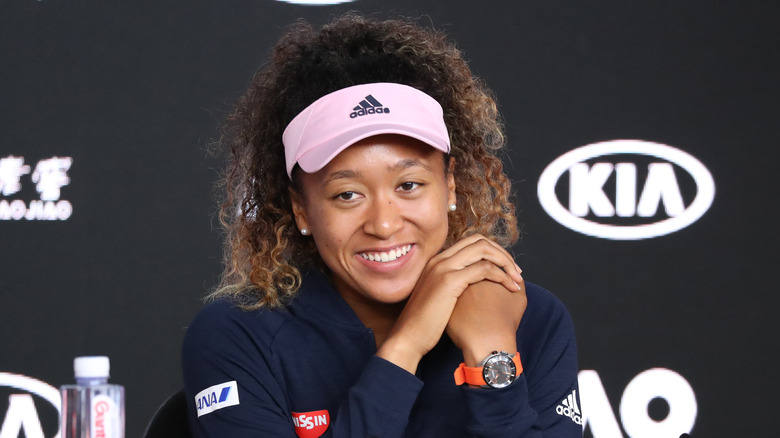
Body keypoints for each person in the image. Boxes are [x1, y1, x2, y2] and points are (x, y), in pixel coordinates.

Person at [182, 13, 581, 437]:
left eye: (409, 185)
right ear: (301, 210)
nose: (385, 224)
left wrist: (491, 355)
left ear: (449, 187)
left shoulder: (528, 316)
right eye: (347, 195)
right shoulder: (239, 334)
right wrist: (406, 347)